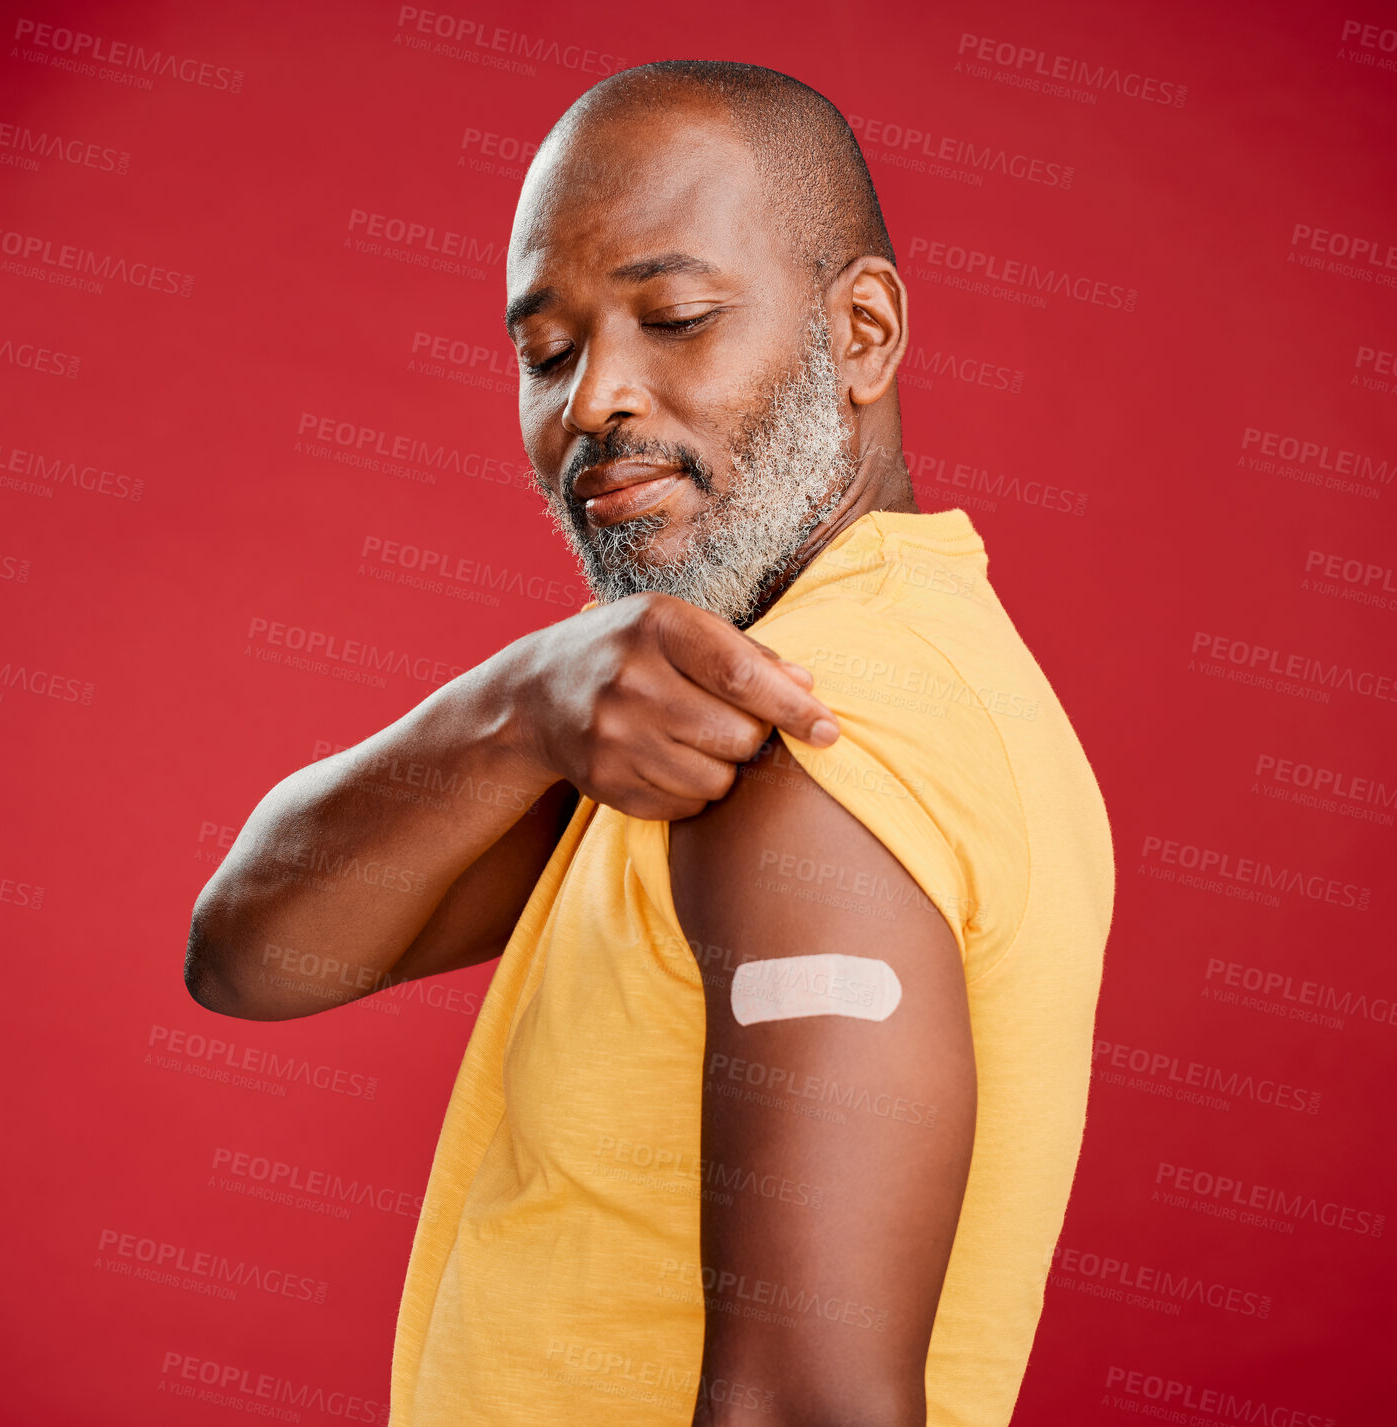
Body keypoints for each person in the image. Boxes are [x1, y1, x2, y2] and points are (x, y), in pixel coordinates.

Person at [186, 60, 1115, 1427]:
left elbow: (813, 1407)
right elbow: (250, 953)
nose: (595, 402)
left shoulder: (804, 726)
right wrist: (522, 697)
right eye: (545, 352)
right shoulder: (666, 700)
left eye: (673, 318)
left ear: (860, 332)